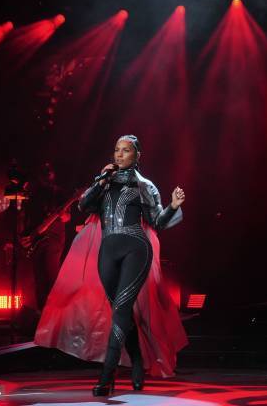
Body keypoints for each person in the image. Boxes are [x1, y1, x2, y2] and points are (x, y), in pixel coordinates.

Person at [34, 134, 187, 396]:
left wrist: (172, 206)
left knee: (121, 310)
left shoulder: (145, 186)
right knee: (121, 312)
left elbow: (158, 222)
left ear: (138, 155)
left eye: (125, 150)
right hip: (107, 251)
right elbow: (84, 205)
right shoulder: (104, 182)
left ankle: (107, 375)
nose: (119, 154)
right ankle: (137, 360)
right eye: (116, 150)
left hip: (136, 249)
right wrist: (100, 179)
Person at [21, 162, 70, 311]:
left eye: (49, 171)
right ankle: (41, 312)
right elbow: (28, 216)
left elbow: (67, 217)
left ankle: (55, 311)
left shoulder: (58, 193)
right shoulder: (34, 194)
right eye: (44, 172)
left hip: (54, 238)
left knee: (51, 274)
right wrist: (27, 234)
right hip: (37, 238)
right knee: (39, 277)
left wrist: (62, 215)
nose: (47, 174)